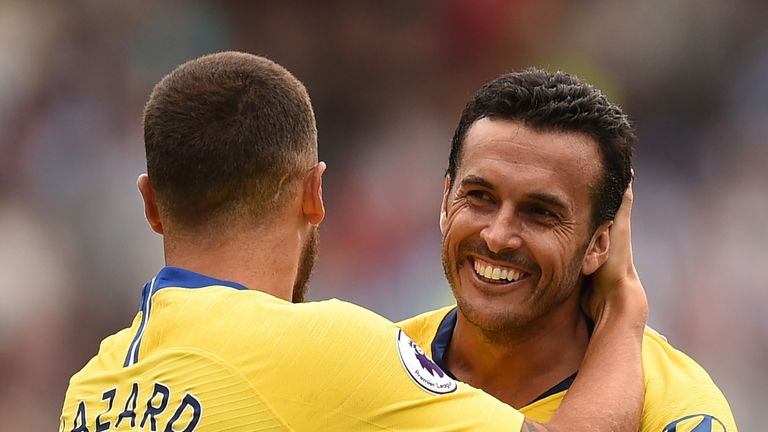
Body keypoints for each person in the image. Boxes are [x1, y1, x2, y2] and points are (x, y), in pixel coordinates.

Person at [59, 52, 648, 432]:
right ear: (315, 193)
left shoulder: (88, 391)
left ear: (150, 205)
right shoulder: (318, 348)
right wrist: (622, 307)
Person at [398, 69, 738, 432]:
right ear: (446, 201)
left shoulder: (678, 412)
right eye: (479, 196)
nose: (498, 237)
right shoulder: (374, 364)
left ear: (599, 243)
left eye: (540, 213)